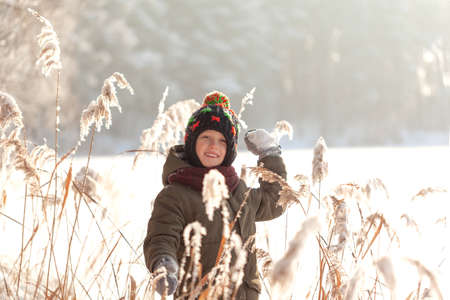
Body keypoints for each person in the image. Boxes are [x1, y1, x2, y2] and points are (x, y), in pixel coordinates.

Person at [143, 91, 287, 299]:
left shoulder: (238, 191)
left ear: (230, 149)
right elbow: (162, 237)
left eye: (222, 141)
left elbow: (275, 201)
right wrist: (164, 264)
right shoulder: (175, 195)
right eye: (206, 138)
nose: (213, 146)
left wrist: (270, 155)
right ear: (192, 142)